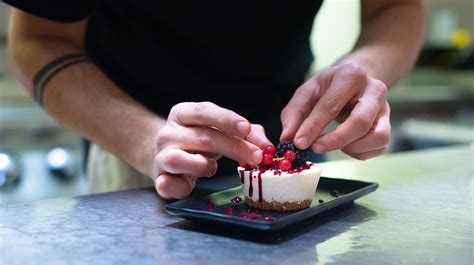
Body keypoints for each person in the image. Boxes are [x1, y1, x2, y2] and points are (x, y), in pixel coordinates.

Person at [5, 0, 424, 199]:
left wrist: (363, 70)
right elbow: (37, 38)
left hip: (293, 149)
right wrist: (144, 140)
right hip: (136, 156)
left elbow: (395, 8)